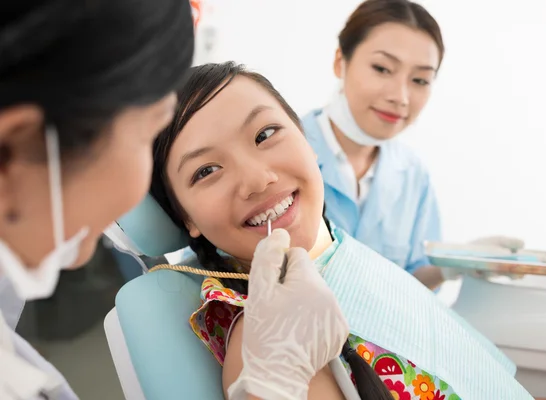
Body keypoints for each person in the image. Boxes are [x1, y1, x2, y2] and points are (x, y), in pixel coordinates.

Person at [0, 2, 349, 399]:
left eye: (266, 134)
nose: (257, 179)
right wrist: (271, 382)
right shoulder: (250, 328)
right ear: (14, 151)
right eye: (143, 132)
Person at [150, 62, 537, 400]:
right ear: (188, 220)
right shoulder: (263, 340)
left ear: (307, 139)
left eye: (265, 134)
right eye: (206, 171)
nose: (257, 179)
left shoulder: (339, 246)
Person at [301, 0, 522, 289]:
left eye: (420, 80)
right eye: (382, 68)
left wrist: (452, 266)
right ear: (340, 62)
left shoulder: (412, 173)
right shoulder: (284, 151)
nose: (401, 97)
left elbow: (410, 279)